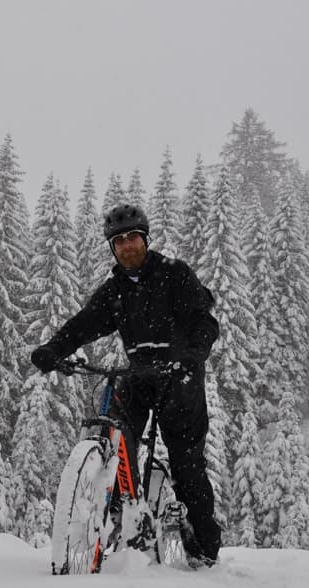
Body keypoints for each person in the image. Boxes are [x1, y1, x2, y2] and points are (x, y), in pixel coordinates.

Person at [30, 203, 222, 567]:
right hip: (139, 376)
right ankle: (124, 508)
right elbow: (83, 325)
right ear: (112, 249)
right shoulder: (114, 291)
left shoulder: (174, 274)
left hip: (178, 376)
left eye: (133, 237)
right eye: (119, 241)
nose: (127, 245)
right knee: (117, 428)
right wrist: (53, 349)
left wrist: (192, 357)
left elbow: (204, 322)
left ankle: (204, 551)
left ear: (145, 240)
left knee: (186, 463)